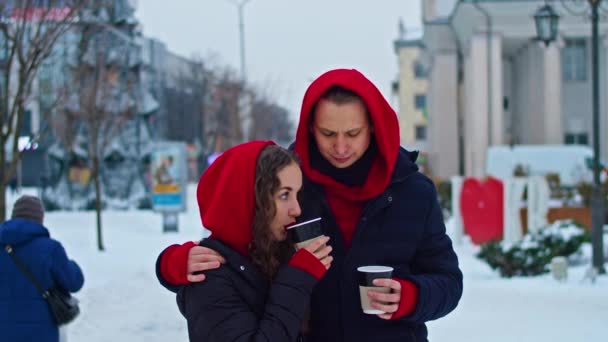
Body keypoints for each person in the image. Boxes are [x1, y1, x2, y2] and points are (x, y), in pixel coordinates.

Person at [156, 69, 463, 341]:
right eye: (328, 133)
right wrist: (173, 265)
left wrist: (411, 297)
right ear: (311, 128)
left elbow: (448, 281)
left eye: (352, 133)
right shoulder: (290, 182)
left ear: (372, 127)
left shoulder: (413, 191)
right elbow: (239, 259)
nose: (341, 147)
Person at [172, 140, 333, 341]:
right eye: (284, 195)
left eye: (297, 194)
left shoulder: (273, 253)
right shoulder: (210, 276)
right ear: (250, 198)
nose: (297, 209)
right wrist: (298, 279)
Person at [0, 195, 84, 342]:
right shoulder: (50, 249)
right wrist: (71, 265)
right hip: (41, 334)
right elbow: (74, 282)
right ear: (40, 219)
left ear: (13, 216)